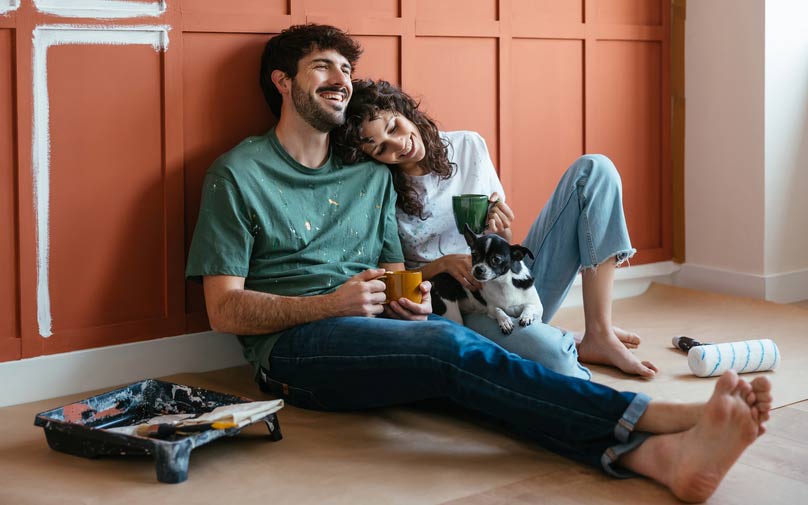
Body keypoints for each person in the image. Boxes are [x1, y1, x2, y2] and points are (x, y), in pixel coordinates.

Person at [185, 23, 772, 503]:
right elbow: (222, 309)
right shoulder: (237, 175)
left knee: (476, 376)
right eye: (323, 67)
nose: (341, 79)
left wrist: (406, 295)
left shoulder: (368, 172)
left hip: (384, 326)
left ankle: (655, 458)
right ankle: (656, 417)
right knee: (456, 351)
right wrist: (331, 303)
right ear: (282, 82)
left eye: (346, 68)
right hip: (296, 349)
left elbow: (395, 270)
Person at [332, 79, 656, 380]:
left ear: (402, 110)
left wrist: (501, 228)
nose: (398, 145)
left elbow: (503, 245)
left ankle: (600, 331)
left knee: (595, 169)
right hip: (460, 304)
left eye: (394, 127)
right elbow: (399, 284)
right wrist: (444, 264)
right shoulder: (379, 187)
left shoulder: (468, 146)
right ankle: (557, 340)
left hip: (511, 281)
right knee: (557, 361)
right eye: (380, 148)